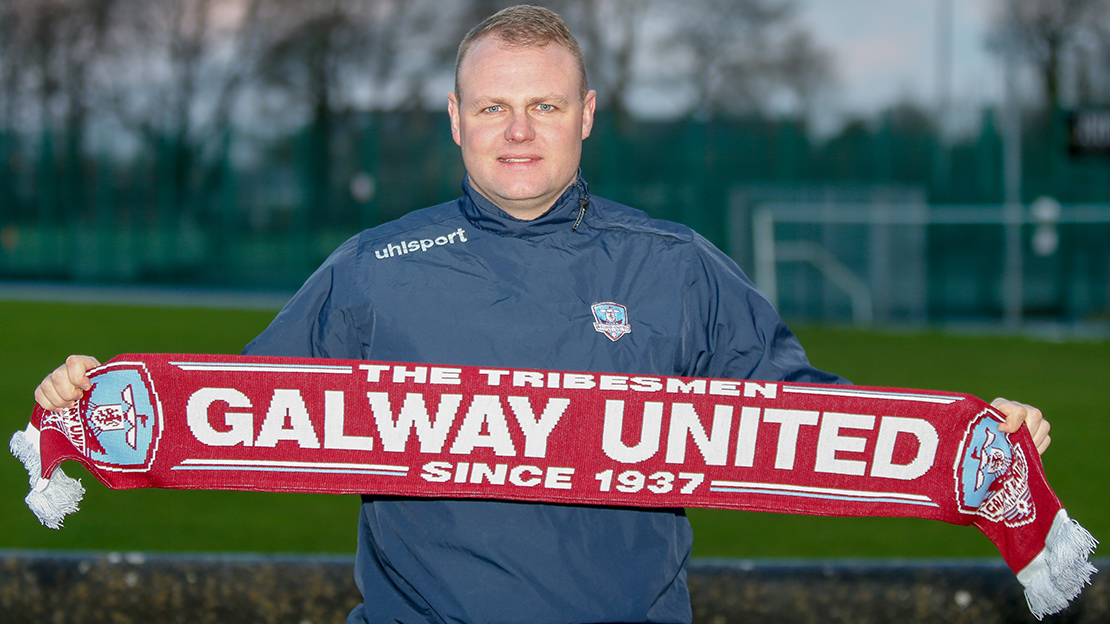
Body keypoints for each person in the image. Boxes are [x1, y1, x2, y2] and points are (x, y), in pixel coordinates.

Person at [35, 5, 1052, 623]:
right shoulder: (375, 267)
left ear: (588, 116)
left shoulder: (678, 268)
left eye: (545, 106)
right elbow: (228, 414)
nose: (518, 131)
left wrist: (969, 439)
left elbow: (820, 428)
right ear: (454, 118)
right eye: (492, 106)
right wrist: (92, 400)